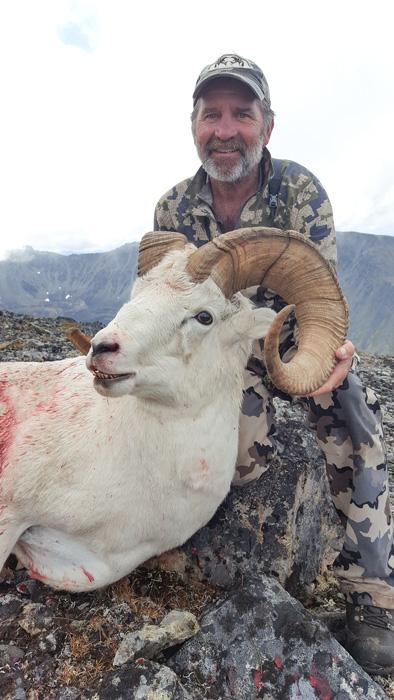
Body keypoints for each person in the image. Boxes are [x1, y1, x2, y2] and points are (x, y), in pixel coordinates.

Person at [153, 53, 394, 675]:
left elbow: (319, 298)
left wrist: (329, 358)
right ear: (194, 125)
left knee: (356, 418)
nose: (226, 129)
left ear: (268, 124)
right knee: (222, 449)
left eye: (242, 113)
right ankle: (160, 534)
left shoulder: (301, 193)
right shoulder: (173, 210)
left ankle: (370, 596)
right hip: (212, 352)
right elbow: (162, 303)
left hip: (285, 340)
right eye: (213, 114)